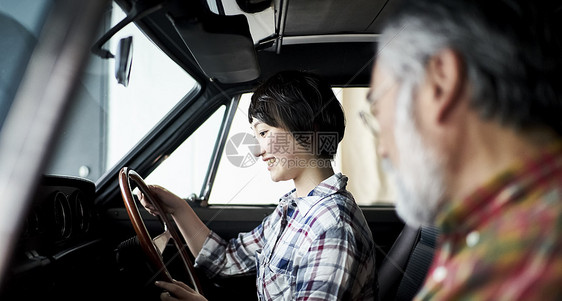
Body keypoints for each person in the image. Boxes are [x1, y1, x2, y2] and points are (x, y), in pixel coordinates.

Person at [368, 0, 562, 299]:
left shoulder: (520, 269)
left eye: (378, 111)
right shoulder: (477, 230)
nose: (382, 149)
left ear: (439, 83)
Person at [141, 70, 377, 300]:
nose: (257, 150)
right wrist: (178, 209)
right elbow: (227, 259)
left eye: (264, 133)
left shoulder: (332, 229)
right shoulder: (294, 207)